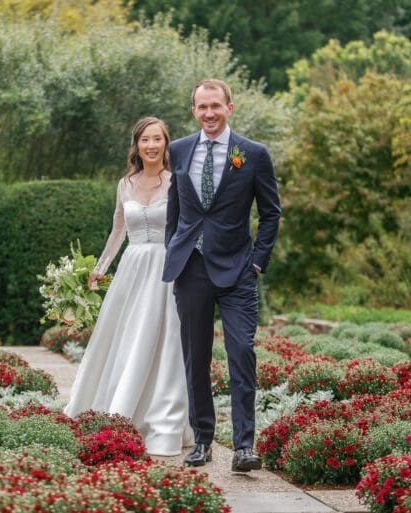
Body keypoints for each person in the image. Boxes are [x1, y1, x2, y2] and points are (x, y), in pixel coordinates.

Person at [163, 79, 281, 472]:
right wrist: (172, 251)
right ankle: (203, 440)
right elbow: (176, 210)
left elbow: (271, 213)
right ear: (193, 110)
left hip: (238, 271)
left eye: (216, 106)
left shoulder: (253, 154)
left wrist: (258, 261)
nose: (209, 113)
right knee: (195, 358)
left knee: (241, 354)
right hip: (191, 270)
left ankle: (244, 447)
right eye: (202, 107)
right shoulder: (178, 150)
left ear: (230, 107)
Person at [64, 117, 191, 456]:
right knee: (125, 337)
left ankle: (160, 420)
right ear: (136, 146)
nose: (151, 146)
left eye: (157, 139)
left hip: (166, 270)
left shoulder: (177, 181)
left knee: (162, 341)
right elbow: (117, 231)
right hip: (132, 270)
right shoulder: (125, 184)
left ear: (166, 144)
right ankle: (117, 409)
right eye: (145, 140)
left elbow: (188, 229)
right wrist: (99, 270)